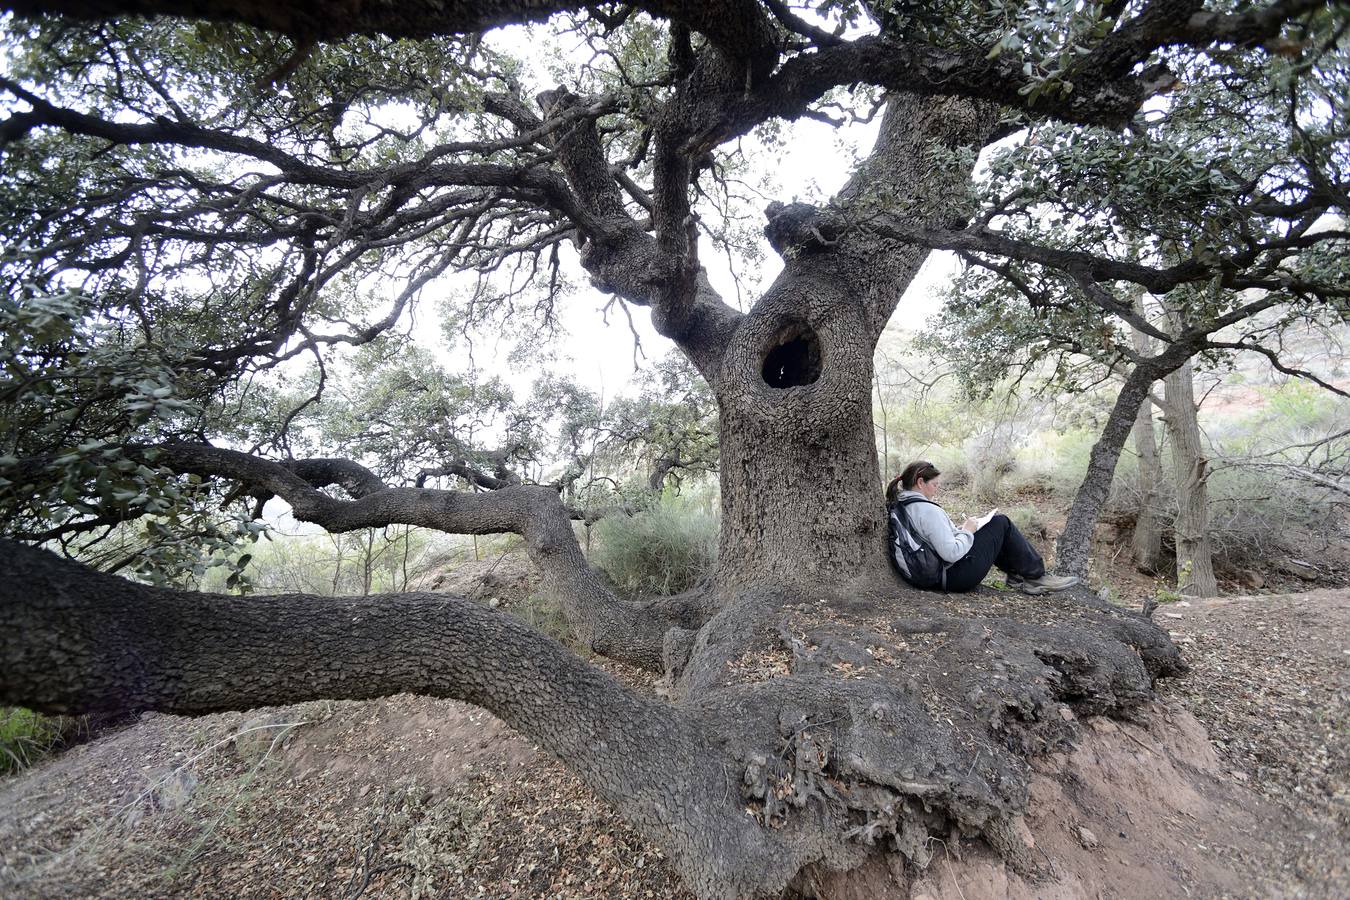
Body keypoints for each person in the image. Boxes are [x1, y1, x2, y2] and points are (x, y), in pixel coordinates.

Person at [886, 460, 1079, 594]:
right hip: (953, 577)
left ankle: (1017, 575)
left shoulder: (902, 504)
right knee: (1001, 523)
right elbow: (951, 553)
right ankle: (1037, 578)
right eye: (935, 484)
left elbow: (930, 538)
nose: (938, 489)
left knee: (992, 529)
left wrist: (961, 530)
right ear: (920, 482)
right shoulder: (927, 510)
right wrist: (968, 531)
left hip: (935, 574)